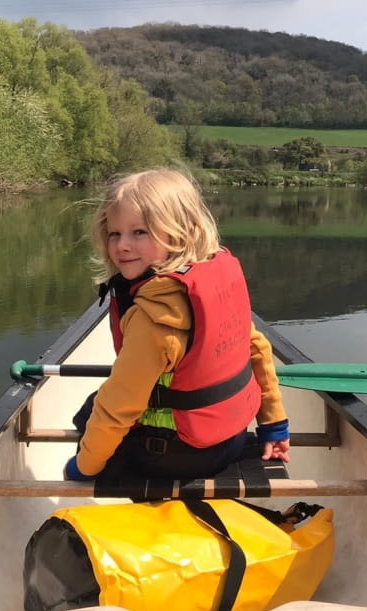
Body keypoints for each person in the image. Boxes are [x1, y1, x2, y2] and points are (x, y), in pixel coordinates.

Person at [64, 168, 289, 482]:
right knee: (93, 406)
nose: (122, 246)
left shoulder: (155, 315)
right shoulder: (212, 275)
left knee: (91, 417)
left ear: (181, 231)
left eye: (139, 232)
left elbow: (119, 407)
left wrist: (84, 466)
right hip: (232, 437)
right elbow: (257, 347)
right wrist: (273, 422)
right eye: (115, 233)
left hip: (174, 456)